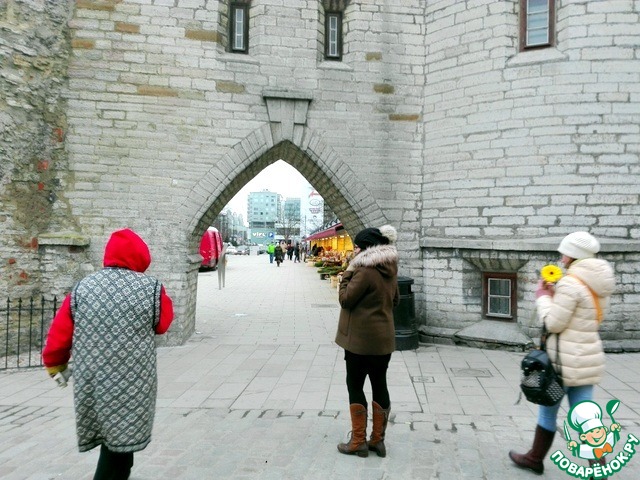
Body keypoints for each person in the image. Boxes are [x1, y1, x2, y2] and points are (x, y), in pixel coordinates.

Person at [42, 228, 174, 480]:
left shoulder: (83, 287)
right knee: (121, 441)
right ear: (141, 257)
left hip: (94, 379)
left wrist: (55, 363)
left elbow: (60, 332)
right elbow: (162, 325)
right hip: (133, 381)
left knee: (113, 440)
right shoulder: (151, 288)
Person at [509, 231, 616, 475]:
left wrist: (543, 297)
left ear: (573, 255)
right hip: (587, 358)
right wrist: (558, 295)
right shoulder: (597, 281)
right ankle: (599, 471)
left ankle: (534, 459)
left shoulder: (571, 283)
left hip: (564, 361)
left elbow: (554, 323)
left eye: (564, 253)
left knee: (548, 410)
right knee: (587, 418)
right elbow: (582, 315)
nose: (561, 257)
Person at [335, 225, 399, 458]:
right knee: (380, 384)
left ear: (366, 249)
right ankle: (378, 441)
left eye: (357, 247)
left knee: (355, 385)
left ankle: (358, 442)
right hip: (383, 341)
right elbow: (396, 300)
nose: (355, 251)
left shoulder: (364, 270)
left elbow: (346, 299)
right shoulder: (390, 268)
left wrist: (347, 274)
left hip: (360, 341)